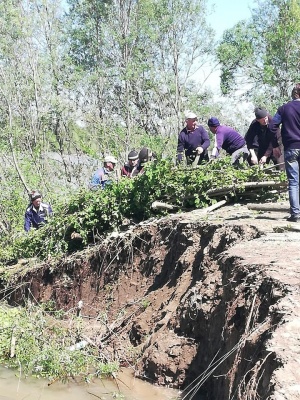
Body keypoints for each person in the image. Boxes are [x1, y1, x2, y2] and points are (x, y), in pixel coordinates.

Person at [269, 83, 300, 222]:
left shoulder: (283, 109)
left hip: (291, 148)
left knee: (293, 182)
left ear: (294, 93)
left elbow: (272, 126)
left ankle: (296, 214)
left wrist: (275, 145)